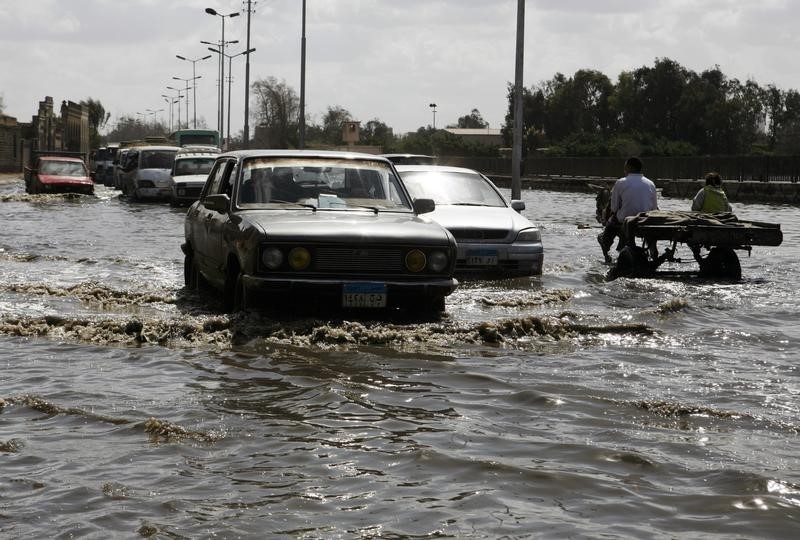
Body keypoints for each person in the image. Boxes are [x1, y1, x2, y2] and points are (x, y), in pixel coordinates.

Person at [597, 157, 659, 263]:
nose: (624, 169)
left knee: (608, 228)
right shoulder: (650, 183)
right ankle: (653, 253)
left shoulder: (621, 182)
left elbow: (614, 208)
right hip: (645, 220)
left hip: (624, 220)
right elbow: (654, 208)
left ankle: (607, 252)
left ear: (629, 167)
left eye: (625, 167)